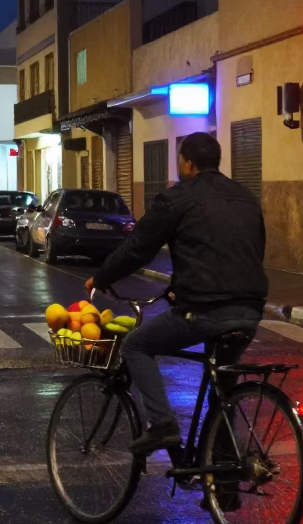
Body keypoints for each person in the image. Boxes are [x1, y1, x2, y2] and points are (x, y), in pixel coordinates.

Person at [85, 132, 268, 457]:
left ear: (188, 164)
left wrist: (102, 277)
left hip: (206, 310)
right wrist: (178, 287)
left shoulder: (178, 197)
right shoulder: (245, 196)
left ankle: (162, 424)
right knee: (222, 390)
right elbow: (246, 250)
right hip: (250, 308)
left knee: (136, 345)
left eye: (179, 160)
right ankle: (223, 475)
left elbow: (138, 247)